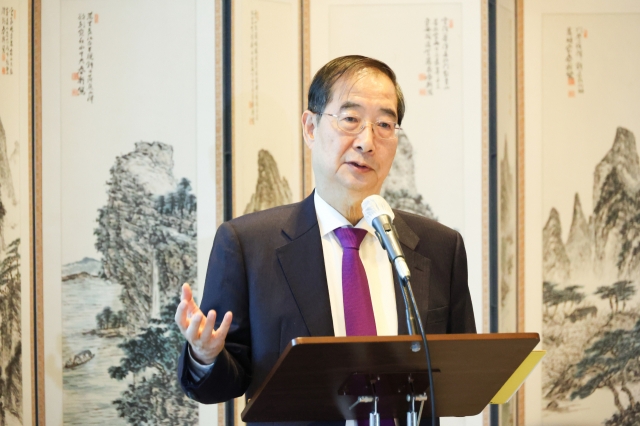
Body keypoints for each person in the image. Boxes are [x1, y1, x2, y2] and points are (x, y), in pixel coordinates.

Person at [175, 55, 476, 424]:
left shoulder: (439, 247)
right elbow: (218, 386)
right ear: (311, 127)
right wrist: (205, 355)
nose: (366, 141)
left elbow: (460, 372)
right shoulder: (248, 246)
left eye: (384, 123)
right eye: (350, 119)